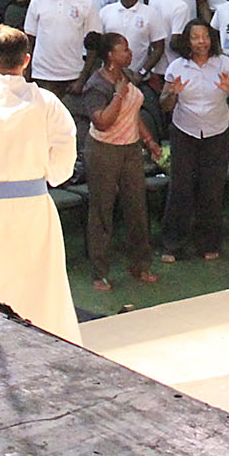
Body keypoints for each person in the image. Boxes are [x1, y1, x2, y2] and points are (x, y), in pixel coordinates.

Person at [0, 24, 81, 344]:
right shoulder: (46, 101)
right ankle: (52, 345)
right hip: (33, 203)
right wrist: (50, 174)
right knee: (44, 284)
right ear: (26, 60)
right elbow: (67, 146)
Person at [159, 21, 229, 262]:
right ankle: (173, 244)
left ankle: (208, 243)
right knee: (181, 188)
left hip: (216, 132)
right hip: (184, 131)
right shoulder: (177, 66)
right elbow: (164, 104)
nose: (201, 42)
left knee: (212, 188)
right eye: (195, 37)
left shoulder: (226, 64)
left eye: (205, 37)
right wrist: (172, 93)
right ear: (187, 41)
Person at [80, 31, 160, 292]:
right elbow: (102, 122)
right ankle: (100, 272)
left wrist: (149, 141)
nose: (130, 53)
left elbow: (133, 113)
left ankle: (140, 264)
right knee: (102, 212)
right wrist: (117, 95)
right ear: (110, 56)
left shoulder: (127, 76)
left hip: (130, 150)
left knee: (137, 208)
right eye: (124, 49)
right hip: (103, 152)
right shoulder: (97, 85)